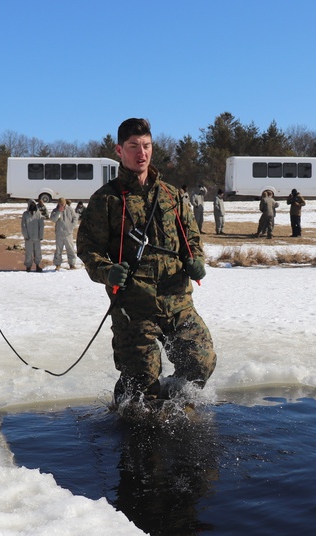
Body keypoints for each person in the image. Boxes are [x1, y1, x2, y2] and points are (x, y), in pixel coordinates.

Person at [77, 117, 215, 406]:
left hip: (177, 301)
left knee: (201, 362)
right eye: (134, 146)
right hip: (134, 307)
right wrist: (107, 272)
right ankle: (130, 399)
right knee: (142, 385)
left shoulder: (171, 195)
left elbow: (192, 239)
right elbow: (88, 249)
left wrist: (197, 260)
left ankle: (176, 405)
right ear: (119, 150)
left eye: (147, 146)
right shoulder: (106, 201)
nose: (142, 153)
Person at [50, 197, 78, 270]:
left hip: (68, 233)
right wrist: (59, 212)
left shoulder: (70, 209)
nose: (62, 205)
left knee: (70, 249)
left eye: (63, 203)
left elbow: (75, 218)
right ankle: (57, 265)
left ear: (65, 203)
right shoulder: (55, 210)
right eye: (60, 204)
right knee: (58, 250)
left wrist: (72, 226)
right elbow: (53, 219)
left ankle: (72, 264)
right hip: (59, 233)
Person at [21, 199, 45, 272]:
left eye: (33, 204)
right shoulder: (25, 214)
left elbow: (41, 226)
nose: (32, 206)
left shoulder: (38, 214)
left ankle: (38, 265)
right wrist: (26, 235)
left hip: (37, 237)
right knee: (28, 252)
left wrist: (41, 236)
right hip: (28, 237)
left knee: (38, 252)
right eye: (31, 204)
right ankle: (28, 266)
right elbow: (23, 226)